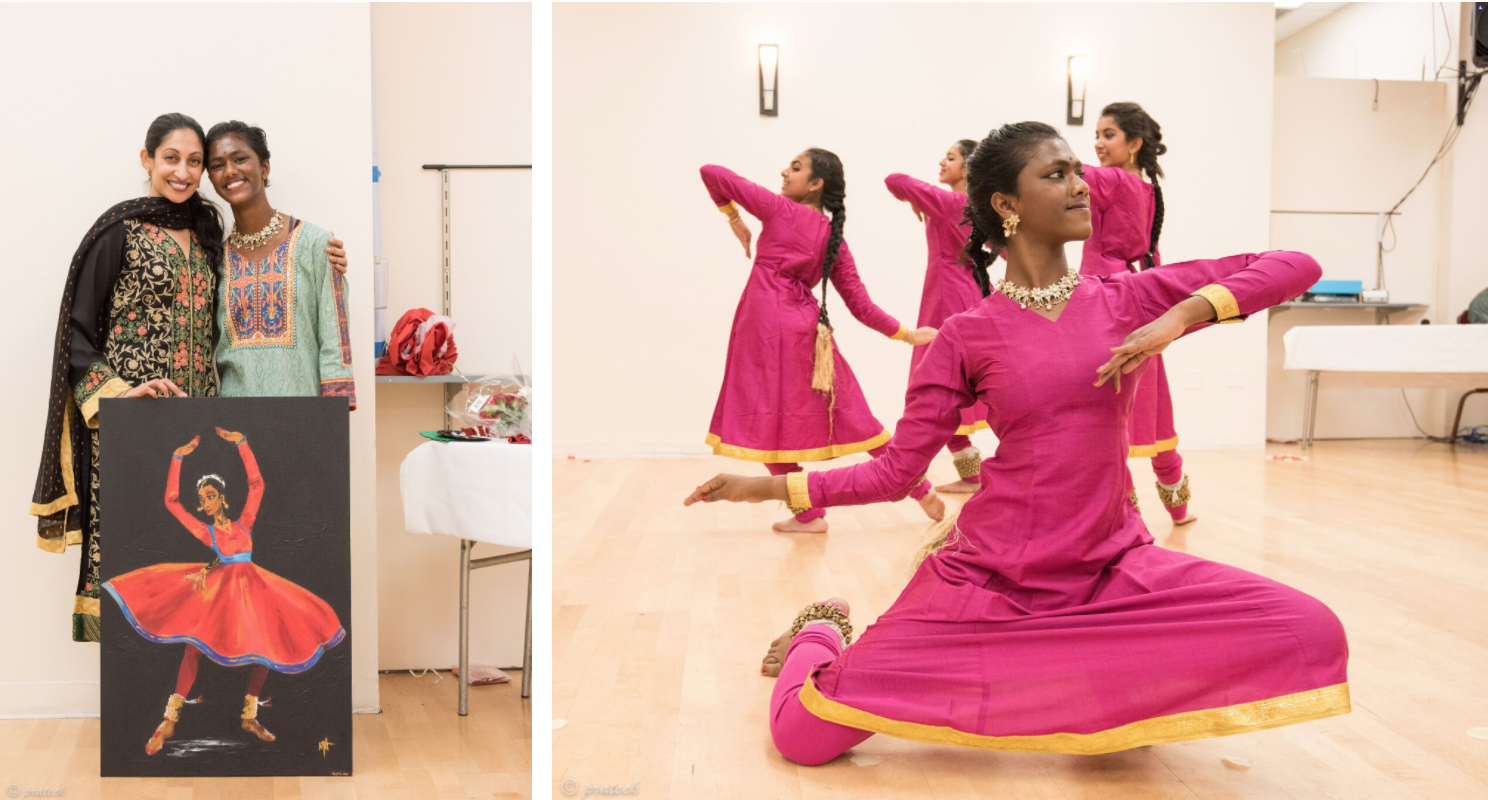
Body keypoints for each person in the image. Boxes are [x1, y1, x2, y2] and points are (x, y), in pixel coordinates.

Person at [686, 123, 1349, 764]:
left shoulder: (1123, 299)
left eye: (1079, 172)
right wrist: (770, 485)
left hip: (1111, 572)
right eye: (1055, 174)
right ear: (1006, 204)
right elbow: (893, 474)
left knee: (1310, 628)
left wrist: (1181, 315)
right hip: (990, 580)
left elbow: (1295, 264)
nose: (1081, 186)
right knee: (805, 736)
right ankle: (822, 628)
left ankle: (1090, 679)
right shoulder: (966, 335)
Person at [30, 113, 349, 642]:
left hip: (198, 419)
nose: (183, 172)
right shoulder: (118, 230)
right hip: (134, 418)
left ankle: (192, 685)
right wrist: (119, 394)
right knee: (138, 546)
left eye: (194, 162)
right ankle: (136, 696)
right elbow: (78, 331)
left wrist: (325, 255)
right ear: (147, 160)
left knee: (193, 556)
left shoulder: (207, 232)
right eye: (171, 159)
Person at [700, 151, 941, 536]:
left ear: (816, 184)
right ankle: (918, 487)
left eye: (795, 168)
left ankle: (809, 514)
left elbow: (711, 171)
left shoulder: (778, 210)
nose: (784, 170)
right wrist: (906, 334)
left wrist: (734, 219)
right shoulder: (833, 237)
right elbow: (861, 305)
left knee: (765, 423)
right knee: (853, 415)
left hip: (763, 328)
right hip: (809, 331)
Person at [102, 428, 346, 754]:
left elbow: (257, 485)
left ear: (222, 497)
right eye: (201, 499)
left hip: (255, 588)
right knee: (194, 647)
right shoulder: (206, 532)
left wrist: (242, 443)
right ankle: (169, 720)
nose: (205, 502)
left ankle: (250, 715)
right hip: (223, 591)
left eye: (210, 495)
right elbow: (171, 501)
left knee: (266, 643)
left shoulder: (245, 523)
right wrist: (178, 457)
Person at [1085, 102, 1193, 523]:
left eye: (1107, 134)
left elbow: (1061, 170)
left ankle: (1121, 518)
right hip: (1136, 294)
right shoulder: (1147, 188)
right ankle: (1178, 508)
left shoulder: (1111, 180)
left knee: (1105, 411)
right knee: (1150, 402)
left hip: (1104, 296)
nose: (1098, 143)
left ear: (1134, 144)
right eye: (1096, 134)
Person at [205, 121, 356, 407]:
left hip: (303, 418)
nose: (230, 171)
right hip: (234, 418)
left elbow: (335, 342)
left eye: (240, 159)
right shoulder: (215, 260)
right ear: (211, 179)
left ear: (264, 167)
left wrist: (335, 414)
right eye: (217, 165)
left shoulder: (316, 244)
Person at [884, 139, 991, 494]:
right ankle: (973, 476)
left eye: (950, 157)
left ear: (968, 168)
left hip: (945, 299)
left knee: (936, 386)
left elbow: (894, 179)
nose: (942, 162)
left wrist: (913, 197)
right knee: (955, 385)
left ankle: (908, 477)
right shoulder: (977, 207)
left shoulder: (950, 203)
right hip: (968, 293)